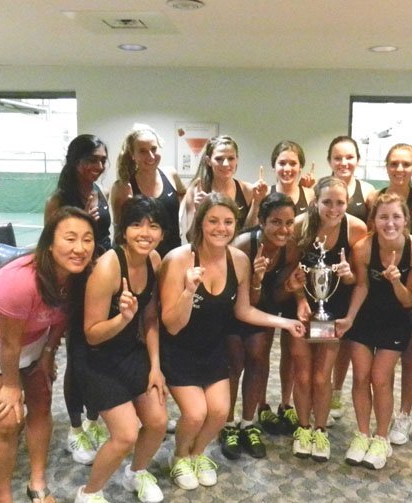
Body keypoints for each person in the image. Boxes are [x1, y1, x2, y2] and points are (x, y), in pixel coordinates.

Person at [159, 193, 304, 490]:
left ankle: (197, 454)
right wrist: (188, 291)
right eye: (213, 221)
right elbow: (171, 326)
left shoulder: (238, 260)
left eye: (228, 222)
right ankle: (179, 457)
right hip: (178, 351)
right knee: (196, 413)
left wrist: (285, 322)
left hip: (213, 351)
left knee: (218, 413)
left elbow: (244, 310)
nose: (221, 228)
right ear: (201, 223)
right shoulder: (177, 260)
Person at [0, 206, 96, 503]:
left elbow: (60, 318)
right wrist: (12, 386)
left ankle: (36, 483)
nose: (79, 248)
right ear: (50, 243)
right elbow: (8, 344)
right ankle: (3, 497)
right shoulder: (20, 281)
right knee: (9, 419)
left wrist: (49, 353)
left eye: (87, 239)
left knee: (41, 403)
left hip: (36, 337)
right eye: (70, 238)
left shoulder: (80, 276)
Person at [74, 196, 168, 503]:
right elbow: (91, 335)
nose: (145, 232)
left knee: (157, 422)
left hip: (131, 352)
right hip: (97, 358)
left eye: (153, 226)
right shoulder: (108, 267)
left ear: (162, 234)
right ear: (123, 231)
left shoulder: (154, 261)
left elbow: (151, 318)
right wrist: (123, 318)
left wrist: (155, 367)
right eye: (136, 224)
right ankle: (89, 493)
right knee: (126, 434)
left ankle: (135, 474)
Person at [341, 193, 412, 470]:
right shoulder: (364, 247)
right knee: (361, 376)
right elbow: (362, 286)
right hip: (365, 318)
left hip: (397, 319)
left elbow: (409, 300)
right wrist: (350, 319)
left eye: (396, 217)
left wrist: (396, 281)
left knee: (380, 377)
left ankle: (381, 437)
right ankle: (362, 434)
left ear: (406, 220)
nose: (390, 223)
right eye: (383, 217)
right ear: (374, 221)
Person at [44, 134, 112, 465]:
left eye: (102, 160)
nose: (98, 166)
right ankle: (74, 428)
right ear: (75, 162)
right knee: (78, 356)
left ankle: (93, 421)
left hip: (104, 280)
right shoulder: (59, 199)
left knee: (103, 354)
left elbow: (105, 237)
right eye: (91, 160)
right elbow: (51, 251)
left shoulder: (99, 191)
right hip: (75, 286)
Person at [290, 176, 367, 462]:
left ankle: (320, 430)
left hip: (331, 315)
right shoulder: (301, 225)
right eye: (327, 202)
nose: (333, 209)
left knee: (323, 377)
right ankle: (303, 428)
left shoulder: (356, 229)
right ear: (315, 201)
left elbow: (361, 281)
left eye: (340, 203)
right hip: (301, 311)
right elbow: (291, 271)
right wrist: (299, 300)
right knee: (303, 373)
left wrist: (348, 276)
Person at [219, 192, 301, 460]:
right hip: (232, 311)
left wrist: (290, 289)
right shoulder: (243, 246)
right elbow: (239, 302)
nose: (284, 229)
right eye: (276, 222)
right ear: (262, 221)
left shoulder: (290, 249)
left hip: (263, 310)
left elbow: (275, 298)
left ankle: (247, 422)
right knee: (234, 362)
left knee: (259, 360)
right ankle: (228, 425)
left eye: (289, 223)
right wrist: (255, 278)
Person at [365, 144, 412, 446]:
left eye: (406, 164)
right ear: (387, 166)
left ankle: (404, 415)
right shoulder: (374, 198)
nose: (400, 169)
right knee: (381, 358)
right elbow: (370, 240)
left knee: (410, 354)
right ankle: (382, 414)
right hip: (382, 288)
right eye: (394, 163)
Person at [256, 140, 315, 436]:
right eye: (282, 162)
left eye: (293, 162)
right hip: (265, 280)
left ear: (300, 166)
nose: (287, 168)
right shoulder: (263, 196)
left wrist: (300, 292)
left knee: (292, 349)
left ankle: (287, 403)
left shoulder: (313, 196)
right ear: (274, 165)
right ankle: (262, 404)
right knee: (263, 347)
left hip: (294, 279)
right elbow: (248, 232)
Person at [326, 136, 377, 421]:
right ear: (330, 161)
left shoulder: (367, 191)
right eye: (338, 157)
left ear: (357, 160)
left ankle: (335, 391)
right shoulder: (320, 190)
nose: (344, 163)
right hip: (322, 282)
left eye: (349, 157)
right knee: (319, 341)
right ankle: (315, 390)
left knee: (345, 340)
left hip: (353, 276)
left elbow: (374, 230)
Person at [110, 123, 186, 258]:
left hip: (173, 254)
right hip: (141, 260)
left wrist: (180, 216)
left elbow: (183, 193)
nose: (151, 156)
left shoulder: (171, 174)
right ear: (133, 155)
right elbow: (118, 233)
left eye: (154, 149)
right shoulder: (123, 187)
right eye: (143, 151)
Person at [180, 135, 267, 237]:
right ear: (208, 161)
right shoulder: (196, 191)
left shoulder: (247, 190)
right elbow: (191, 237)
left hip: (239, 252)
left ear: (237, 160)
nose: (226, 164)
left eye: (231, 158)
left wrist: (256, 202)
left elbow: (250, 234)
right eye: (219, 159)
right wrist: (198, 213)